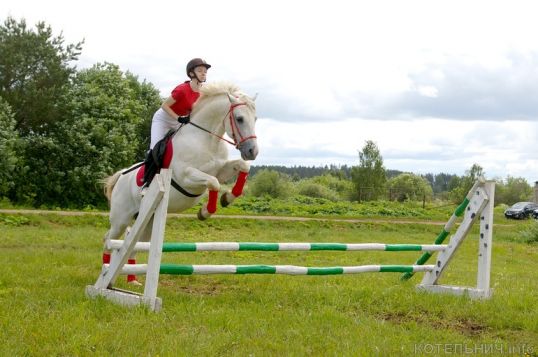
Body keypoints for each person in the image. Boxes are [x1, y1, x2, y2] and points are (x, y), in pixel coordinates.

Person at [149, 58, 211, 149]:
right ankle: (149, 159)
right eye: (200, 71)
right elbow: (164, 106)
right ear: (191, 73)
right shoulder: (182, 89)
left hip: (179, 122)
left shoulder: (204, 91)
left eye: (205, 71)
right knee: (155, 149)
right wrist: (178, 118)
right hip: (163, 119)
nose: (203, 73)